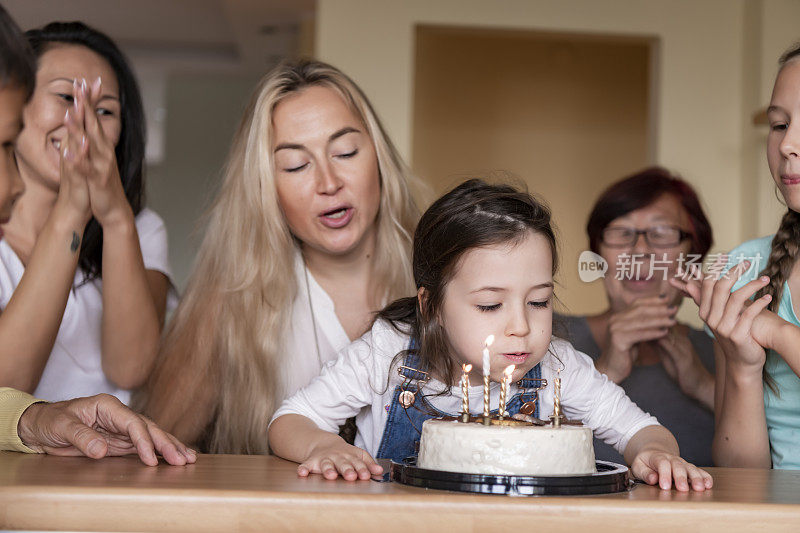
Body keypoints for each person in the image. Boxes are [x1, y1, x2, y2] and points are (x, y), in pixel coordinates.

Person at [269, 179, 713, 492]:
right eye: (489, 305)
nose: (520, 325)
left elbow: (641, 430)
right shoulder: (388, 351)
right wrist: (324, 445)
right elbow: (290, 421)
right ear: (431, 306)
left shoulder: (556, 365)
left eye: (538, 301)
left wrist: (654, 452)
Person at [135, 59, 422, 454]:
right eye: (296, 164)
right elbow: (148, 453)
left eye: (345, 152)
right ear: (266, 187)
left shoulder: (444, 281)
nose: (329, 183)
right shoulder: (230, 305)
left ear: (378, 157)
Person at [0, 6, 193, 466]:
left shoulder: (143, 229)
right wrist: (72, 206)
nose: (82, 120)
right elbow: (6, 385)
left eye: (104, 109)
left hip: (110, 473)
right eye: (66, 96)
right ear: (13, 104)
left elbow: (130, 367)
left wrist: (115, 219)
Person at [671, 44, 800, 469]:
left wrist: (779, 334)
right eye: (779, 124)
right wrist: (744, 367)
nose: (788, 145)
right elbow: (741, 477)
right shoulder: (747, 265)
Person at [558, 167, 716, 466]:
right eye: (622, 234)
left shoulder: (725, 351)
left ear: (692, 253)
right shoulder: (547, 338)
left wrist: (702, 385)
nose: (640, 251)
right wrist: (603, 371)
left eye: (662, 233)